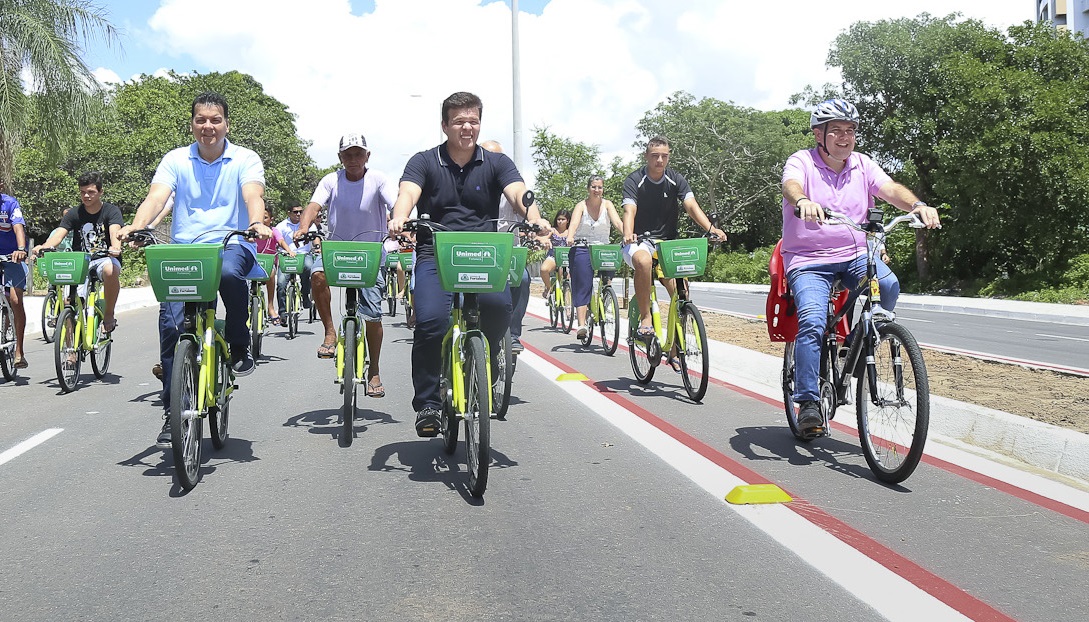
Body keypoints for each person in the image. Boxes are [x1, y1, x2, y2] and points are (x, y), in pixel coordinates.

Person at [388, 91, 549, 437]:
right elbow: (408, 193)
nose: (467, 127)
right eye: (459, 121)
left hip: (483, 253)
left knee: (499, 306)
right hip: (436, 254)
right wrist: (400, 216)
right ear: (445, 125)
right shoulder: (424, 161)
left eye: (473, 120)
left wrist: (535, 218)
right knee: (430, 321)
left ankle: (484, 365)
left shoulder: (496, 163)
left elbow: (519, 193)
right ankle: (429, 403)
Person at [119, 91, 271, 448]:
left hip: (233, 243)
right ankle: (174, 411)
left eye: (215, 120)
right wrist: (138, 225)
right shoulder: (175, 159)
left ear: (226, 124)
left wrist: (255, 222)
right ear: (192, 124)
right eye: (201, 120)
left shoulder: (245, 159)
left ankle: (237, 339)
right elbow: (157, 197)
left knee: (231, 274)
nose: (208, 127)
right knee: (172, 325)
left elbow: (253, 195)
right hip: (186, 249)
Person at [781, 98, 941, 438]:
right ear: (818, 135)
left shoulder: (863, 165)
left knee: (890, 286)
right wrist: (803, 201)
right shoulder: (802, 162)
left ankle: (855, 342)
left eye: (850, 131)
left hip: (855, 253)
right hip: (809, 260)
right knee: (812, 320)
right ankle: (808, 402)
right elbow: (790, 186)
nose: (844, 137)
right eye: (836, 131)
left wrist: (918, 205)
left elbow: (890, 190)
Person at [295, 132, 397, 398]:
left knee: (373, 315)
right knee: (316, 275)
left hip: (371, 253)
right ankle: (330, 332)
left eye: (358, 154)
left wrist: (401, 223)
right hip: (337, 251)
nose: (353, 159)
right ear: (340, 158)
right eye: (347, 155)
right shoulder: (332, 180)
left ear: (367, 156)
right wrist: (304, 227)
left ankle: (374, 369)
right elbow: (314, 205)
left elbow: (396, 205)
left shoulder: (379, 179)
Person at [622, 136, 725, 339]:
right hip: (639, 241)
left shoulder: (675, 179)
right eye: (655, 156)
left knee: (682, 294)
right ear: (646, 156)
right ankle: (645, 319)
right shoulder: (634, 180)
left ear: (668, 157)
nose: (659, 160)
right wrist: (628, 233)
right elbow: (629, 210)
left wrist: (711, 228)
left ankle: (676, 349)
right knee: (643, 261)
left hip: (667, 245)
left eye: (664, 156)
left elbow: (691, 206)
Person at [33, 172, 124, 336]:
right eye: (83, 192)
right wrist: (43, 246)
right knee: (69, 303)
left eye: (91, 192)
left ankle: (109, 313)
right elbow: (59, 235)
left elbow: (114, 232)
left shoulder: (111, 211)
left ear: (100, 192)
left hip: (105, 257)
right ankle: (70, 350)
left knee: (111, 270)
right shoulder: (74, 213)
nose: (86, 196)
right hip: (80, 261)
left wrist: (116, 247)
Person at [481, 139, 530, 353]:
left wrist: (537, 223)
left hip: (508, 253)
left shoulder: (513, 186)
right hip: (478, 254)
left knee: (524, 279)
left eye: (498, 158)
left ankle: (514, 334)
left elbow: (526, 208)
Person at [567, 175, 623, 340]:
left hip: (603, 247)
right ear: (588, 188)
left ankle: (605, 302)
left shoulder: (608, 205)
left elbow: (618, 223)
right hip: (582, 246)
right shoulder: (581, 206)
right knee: (584, 284)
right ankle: (582, 324)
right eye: (593, 187)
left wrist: (626, 233)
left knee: (607, 279)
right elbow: (574, 224)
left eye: (599, 187)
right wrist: (570, 236)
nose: (596, 190)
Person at [0, 181, 29, 369]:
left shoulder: (10, 204)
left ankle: (19, 351)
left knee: (16, 301)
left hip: (12, 257)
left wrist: (20, 249)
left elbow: (18, 227)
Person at [274, 205, 316, 321]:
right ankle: (282, 311)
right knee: (281, 284)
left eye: (300, 212)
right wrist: (288, 251)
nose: (298, 214)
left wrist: (317, 245)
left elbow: (314, 236)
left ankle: (305, 294)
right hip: (286, 255)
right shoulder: (281, 226)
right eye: (295, 212)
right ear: (288, 213)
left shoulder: (307, 224)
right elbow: (280, 240)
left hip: (303, 254)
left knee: (308, 268)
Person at [256, 205, 294, 326]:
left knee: (272, 272)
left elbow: (281, 241)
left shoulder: (274, 231)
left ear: (271, 219)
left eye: (265, 217)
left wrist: (289, 250)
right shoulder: (252, 231)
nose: (262, 220)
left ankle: (271, 306)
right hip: (253, 262)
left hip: (268, 264)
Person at [538, 209, 570, 300]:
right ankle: (548, 287)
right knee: (544, 269)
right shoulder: (553, 230)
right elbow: (545, 238)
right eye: (558, 219)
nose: (560, 221)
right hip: (553, 256)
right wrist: (544, 241)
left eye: (563, 219)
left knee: (567, 278)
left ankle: (568, 305)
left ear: (567, 220)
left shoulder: (571, 232)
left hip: (566, 258)